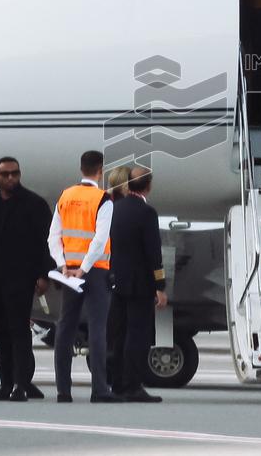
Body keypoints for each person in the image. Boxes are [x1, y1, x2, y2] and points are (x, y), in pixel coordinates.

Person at [0, 157, 53, 402]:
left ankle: (21, 385)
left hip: (21, 278)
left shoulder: (34, 205)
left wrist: (44, 274)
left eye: (14, 173)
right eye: (5, 174)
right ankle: (4, 385)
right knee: (1, 332)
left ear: (20, 174)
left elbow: (45, 243)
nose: (10, 178)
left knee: (19, 332)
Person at [49, 150, 116, 403]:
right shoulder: (103, 199)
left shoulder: (65, 196)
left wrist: (63, 265)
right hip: (94, 271)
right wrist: (85, 268)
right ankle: (99, 389)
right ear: (100, 170)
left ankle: (63, 391)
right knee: (98, 328)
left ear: (81, 168)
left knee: (65, 327)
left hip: (69, 273)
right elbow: (100, 240)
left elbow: (53, 237)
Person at [108, 167, 168, 402]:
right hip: (140, 284)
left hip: (117, 281)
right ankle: (133, 385)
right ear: (148, 186)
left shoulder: (115, 209)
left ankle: (118, 384)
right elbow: (154, 253)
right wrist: (160, 285)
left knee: (119, 334)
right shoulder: (147, 213)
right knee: (138, 335)